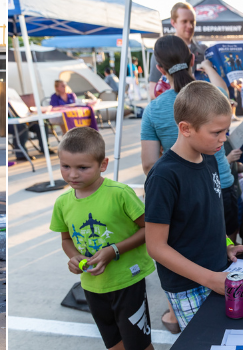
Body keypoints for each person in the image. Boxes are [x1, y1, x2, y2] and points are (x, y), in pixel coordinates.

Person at [144, 81, 243, 335]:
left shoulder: (210, 159)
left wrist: (227, 245)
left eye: (226, 131)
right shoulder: (164, 176)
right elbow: (156, 246)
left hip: (219, 273)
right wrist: (209, 279)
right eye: (216, 132)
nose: (223, 138)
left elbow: (209, 219)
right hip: (188, 286)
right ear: (186, 128)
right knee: (205, 340)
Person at [51, 127, 156, 350]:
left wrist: (114, 250)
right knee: (114, 343)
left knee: (139, 345)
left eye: (83, 168)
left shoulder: (120, 193)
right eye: (65, 166)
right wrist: (74, 258)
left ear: (103, 164)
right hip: (92, 287)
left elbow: (149, 228)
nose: (72, 175)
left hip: (128, 281)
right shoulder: (62, 203)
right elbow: (66, 239)